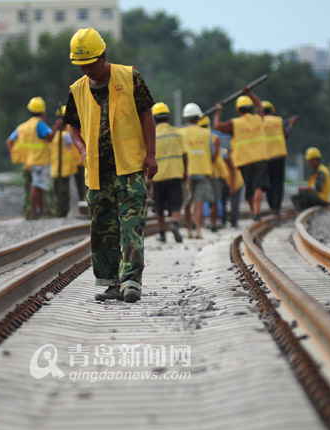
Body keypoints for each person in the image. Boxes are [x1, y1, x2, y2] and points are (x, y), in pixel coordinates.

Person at [63, 27, 156, 304]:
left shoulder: (129, 77)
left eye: (91, 64)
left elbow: (146, 115)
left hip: (129, 167)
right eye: (82, 66)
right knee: (102, 228)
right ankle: (111, 282)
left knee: (131, 224)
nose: (87, 70)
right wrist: (80, 148)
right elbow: (74, 127)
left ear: (103, 56)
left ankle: (131, 281)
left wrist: (151, 155)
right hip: (97, 172)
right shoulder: (77, 89)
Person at [214, 86, 269, 221]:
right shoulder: (258, 118)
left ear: (238, 110)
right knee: (258, 186)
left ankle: (253, 211)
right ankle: (257, 211)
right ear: (251, 108)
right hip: (260, 158)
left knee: (250, 188)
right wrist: (251, 94)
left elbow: (217, 126)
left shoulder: (235, 123)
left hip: (244, 161)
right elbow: (260, 105)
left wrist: (218, 111)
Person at [6, 97, 56, 219]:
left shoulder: (22, 126)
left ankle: (33, 213)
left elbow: (9, 141)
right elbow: (49, 137)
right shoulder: (40, 125)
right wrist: (57, 126)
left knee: (32, 187)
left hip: (27, 162)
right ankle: (37, 212)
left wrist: (16, 156)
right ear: (43, 112)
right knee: (38, 186)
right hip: (39, 161)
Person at [180, 102, 219, 237]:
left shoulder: (181, 133)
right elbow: (213, 156)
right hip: (203, 171)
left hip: (187, 172)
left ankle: (189, 230)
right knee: (200, 202)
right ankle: (198, 230)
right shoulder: (206, 133)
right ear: (198, 117)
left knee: (187, 202)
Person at [150, 102, 185, 242]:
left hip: (158, 175)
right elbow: (185, 154)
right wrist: (185, 172)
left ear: (154, 118)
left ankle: (162, 233)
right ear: (168, 117)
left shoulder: (152, 134)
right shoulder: (178, 132)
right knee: (176, 203)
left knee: (159, 205)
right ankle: (175, 223)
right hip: (176, 173)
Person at [261, 101, 298, 213]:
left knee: (269, 183)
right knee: (278, 183)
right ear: (272, 111)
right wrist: (291, 124)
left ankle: (272, 205)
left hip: (266, 157)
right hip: (279, 156)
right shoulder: (278, 121)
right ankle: (277, 206)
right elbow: (287, 134)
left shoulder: (259, 122)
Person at [50, 105, 83, 218]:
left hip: (59, 168)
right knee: (63, 193)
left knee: (60, 193)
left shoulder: (55, 134)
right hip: (64, 168)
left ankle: (60, 213)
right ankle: (61, 213)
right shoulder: (64, 135)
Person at [291, 147, 330, 211]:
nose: (309, 163)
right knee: (294, 197)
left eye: (310, 161)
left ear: (315, 160)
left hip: (322, 199)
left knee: (303, 193)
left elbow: (317, 187)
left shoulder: (321, 171)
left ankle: (303, 211)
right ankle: (303, 209)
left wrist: (304, 188)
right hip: (318, 197)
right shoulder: (317, 171)